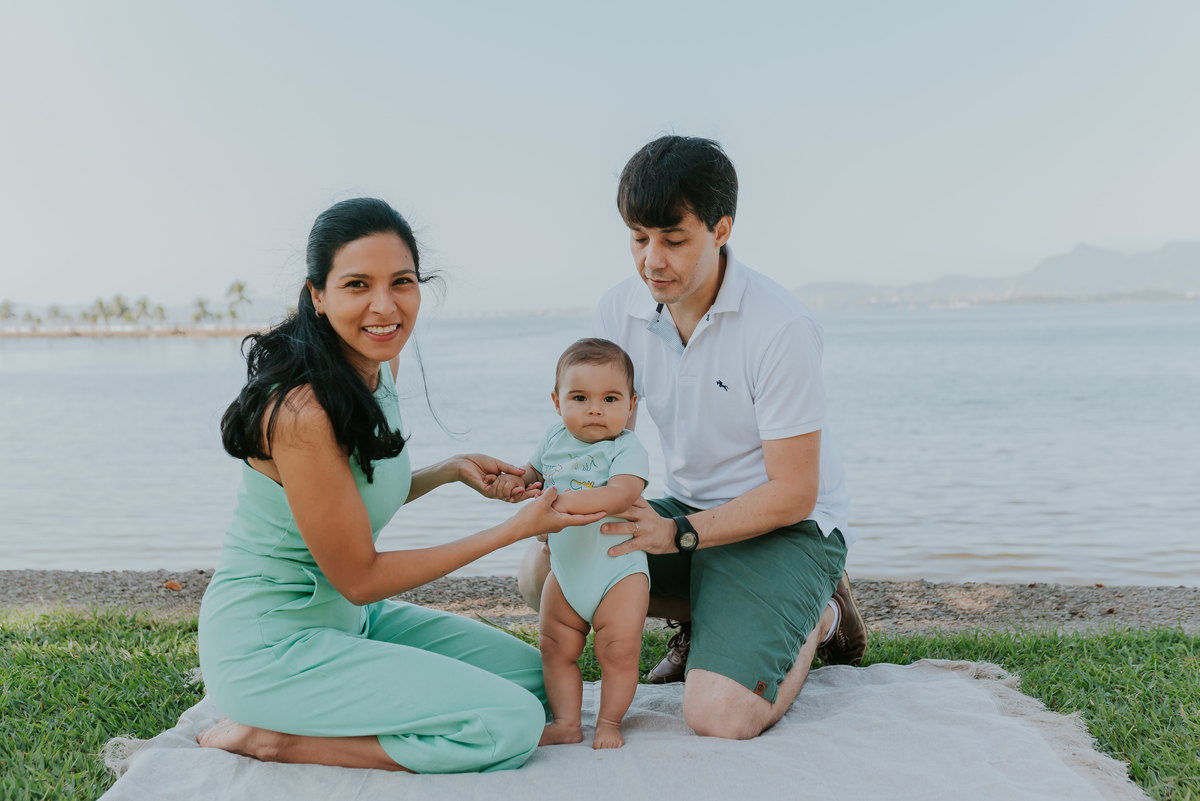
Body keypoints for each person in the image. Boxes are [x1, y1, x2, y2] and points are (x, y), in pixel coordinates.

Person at [197, 198, 606, 774]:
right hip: (271, 645)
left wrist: (449, 470)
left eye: (401, 281)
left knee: (540, 682)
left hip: (352, 623)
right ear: (318, 295)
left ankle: (329, 709)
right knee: (509, 723)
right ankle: (272, 740)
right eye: (357, 285)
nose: (384, 306)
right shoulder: (302, 412)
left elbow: (348, 496)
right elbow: (360, 578)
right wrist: (513, 530)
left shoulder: (377, 365)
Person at [517, 136, 868, 740]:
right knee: (542, 569)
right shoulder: (620, 309)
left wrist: (677, 534)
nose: (651, 260)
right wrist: (551, 487)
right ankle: (718, 618)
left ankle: (823, 615)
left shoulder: (779, 326)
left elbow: (795, 492)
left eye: (673, 240)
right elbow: (606, 443)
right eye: (638, 238)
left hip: (785, 528)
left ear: (721, 229)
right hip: (686, 512)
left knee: (719, 716)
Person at [491, 338, 651, 750]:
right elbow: (531, 475)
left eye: (610, 399)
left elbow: (620, 495)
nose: (595, 409)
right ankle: (566, 723)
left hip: (618, 572)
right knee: (554, 647)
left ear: (631, 404)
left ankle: (609, 722)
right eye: (580, 398)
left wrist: (556, 503)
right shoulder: (553, 438)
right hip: (565, 573)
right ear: (556, 402)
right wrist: (513, 483)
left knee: (618, 652)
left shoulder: (626, 447)